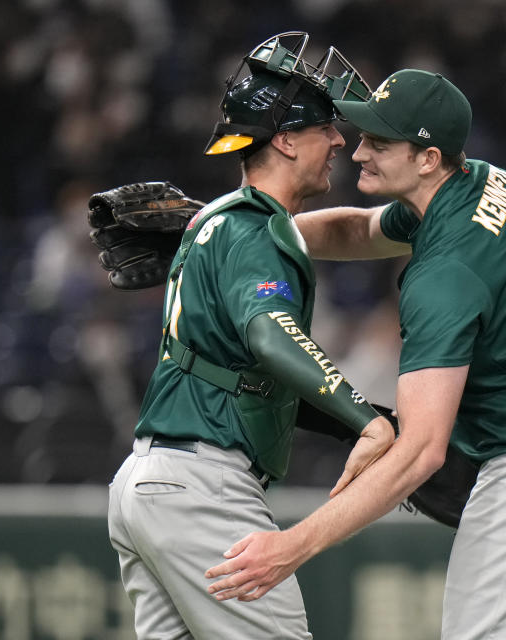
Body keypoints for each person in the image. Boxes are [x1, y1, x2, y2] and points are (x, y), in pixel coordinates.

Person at [205, 68, 506, 640]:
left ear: (428, 158)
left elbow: (419, 453)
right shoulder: (485, 181)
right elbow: (361, 231)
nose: (358, 150)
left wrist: (293, 546)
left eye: (380, 143)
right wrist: (233, 228)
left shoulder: (444, 274)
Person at [106, 33, 395, 639]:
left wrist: (360, 416)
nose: (340, 140)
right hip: (202, 487)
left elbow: (254, 378)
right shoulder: (257, 229)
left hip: (149, 480)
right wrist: (365, 419)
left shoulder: (218, 224)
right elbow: (271, 336)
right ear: (286, 139)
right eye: (325, 128)